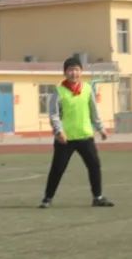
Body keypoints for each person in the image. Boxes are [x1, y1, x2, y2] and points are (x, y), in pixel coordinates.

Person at [39, 56, 113, 208]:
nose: (74, 73)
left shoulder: (87, 89)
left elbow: (94, 111)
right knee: (57, 169)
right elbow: (53, 114)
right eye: (70, 70)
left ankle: (97, 197)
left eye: (77, 70)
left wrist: (101, 129)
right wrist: (59, 132)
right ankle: (47, 198)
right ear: (65, 73)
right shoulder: (58, 91)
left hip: (86, 136)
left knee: (94, 165)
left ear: (81, 71)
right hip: (65, 139)